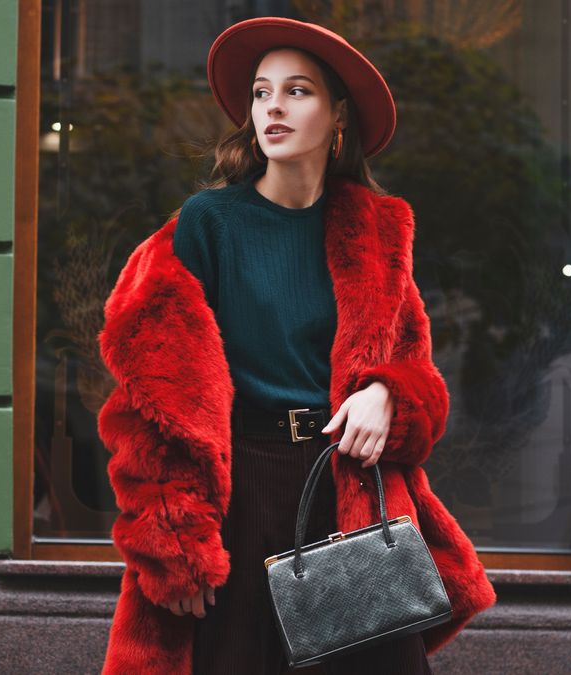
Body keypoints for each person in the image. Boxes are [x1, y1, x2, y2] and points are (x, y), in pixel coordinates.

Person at [97, 17, 496, 675]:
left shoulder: (377, 228)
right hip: (241, 494)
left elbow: (418, 373)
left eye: (297, 90)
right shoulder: (209, 223)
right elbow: (151, 400)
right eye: (260, 92)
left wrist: (385, 395)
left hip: (349, 491)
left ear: (338, 115)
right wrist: (177, 543)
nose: (272, 107)